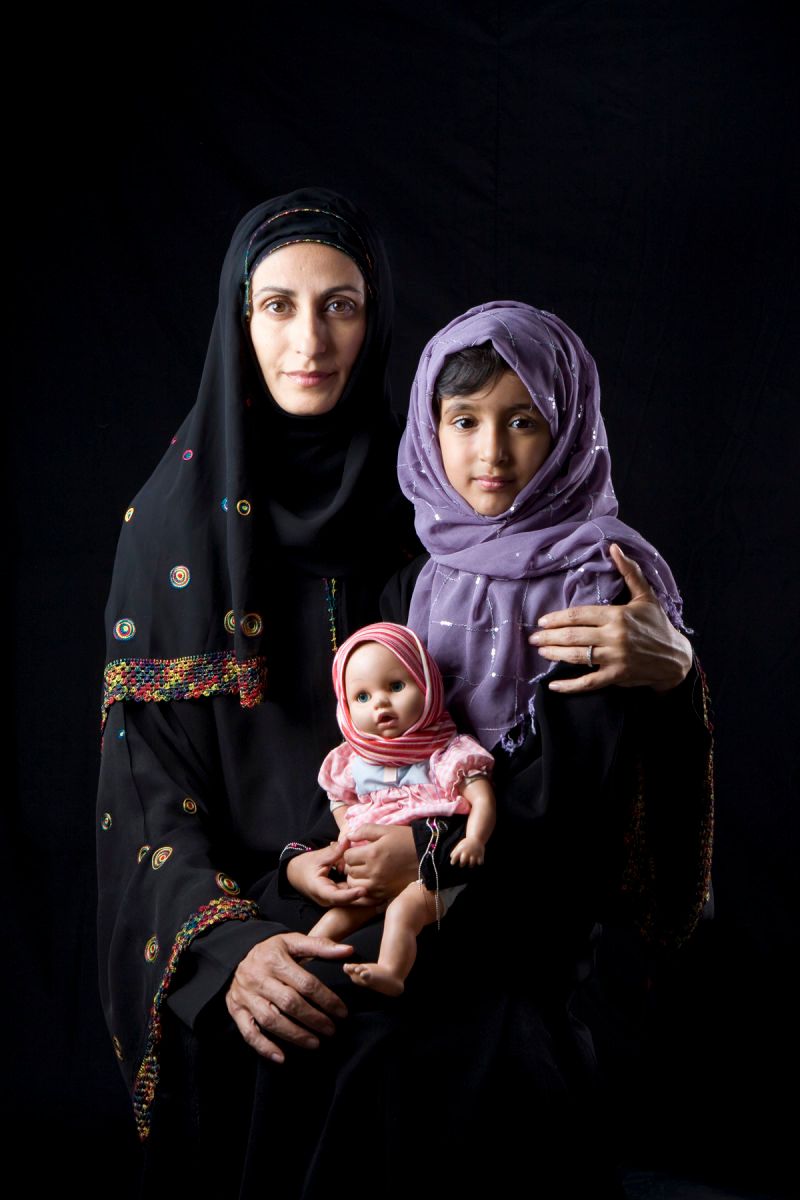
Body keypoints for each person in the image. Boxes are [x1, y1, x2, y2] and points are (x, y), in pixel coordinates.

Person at [96, 189, 704, 1196]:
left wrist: (673, 669)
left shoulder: (435, 492)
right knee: (295, 1042)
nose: (309, 340)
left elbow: (545, 749)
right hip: (258, 907)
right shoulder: (169, 532)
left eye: (340, 305)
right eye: (276, 306)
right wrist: (234, 945)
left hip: (460, 888)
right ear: (236, 320)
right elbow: (142, 794)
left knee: (468, 1056)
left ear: (375, 319)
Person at [308, 621, 495, 995]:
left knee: (402, 913)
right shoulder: (352, 760)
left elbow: (482, 798)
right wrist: (348, 832)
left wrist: (475, 838)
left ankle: (391, 971)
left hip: (430, 873)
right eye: (362, 697)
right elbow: (339, 800)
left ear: (427, 687)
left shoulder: (446, 753)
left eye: (395, 687)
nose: (380, 703)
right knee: (337, 916)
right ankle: (305, 959)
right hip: (374, 871)